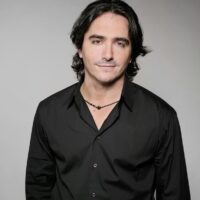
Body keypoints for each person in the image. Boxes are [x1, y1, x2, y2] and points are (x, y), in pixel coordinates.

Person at [25, 0, 191, 199]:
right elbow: (38, 189)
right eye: (97, 41)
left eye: (120, 43)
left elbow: (175, 195)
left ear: (131, 53)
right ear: (80, 47)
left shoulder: (162, 117)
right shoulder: (48, 112)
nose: (108, 54)